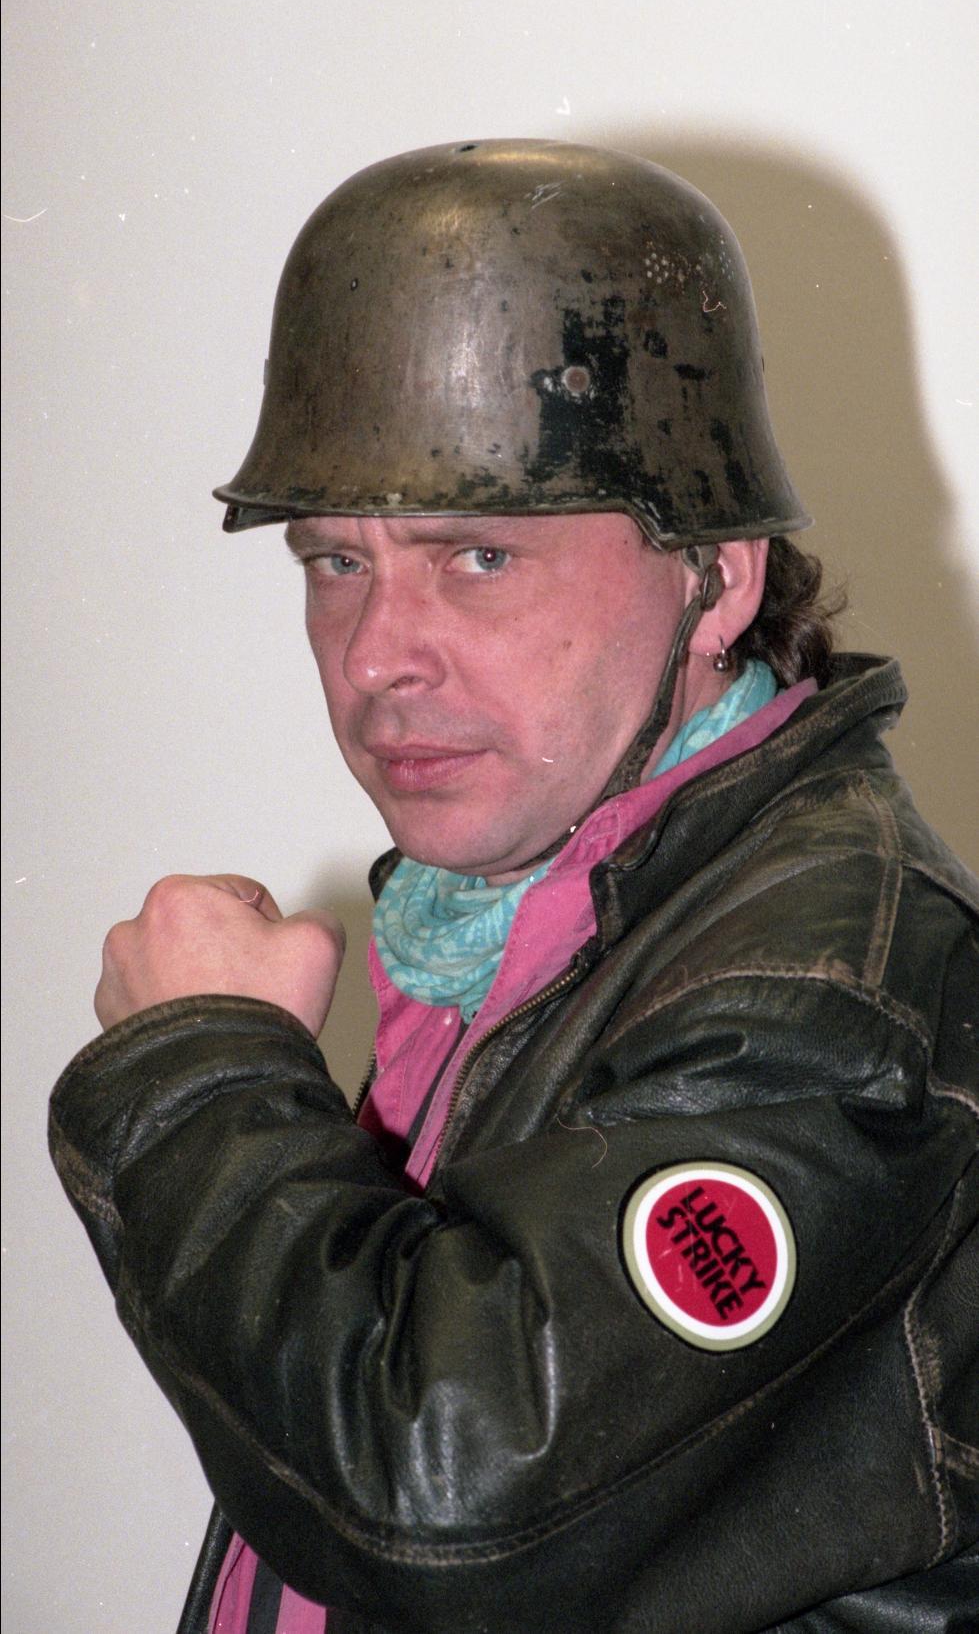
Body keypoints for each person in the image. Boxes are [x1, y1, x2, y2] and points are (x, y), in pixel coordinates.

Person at [49, 141, 977, 1634]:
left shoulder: (814, 1004)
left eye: (479, 555)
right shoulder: (526, 920)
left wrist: (196, 1073)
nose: (376, 656)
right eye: (333, 564)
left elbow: (443, 1498)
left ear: (719, 576)